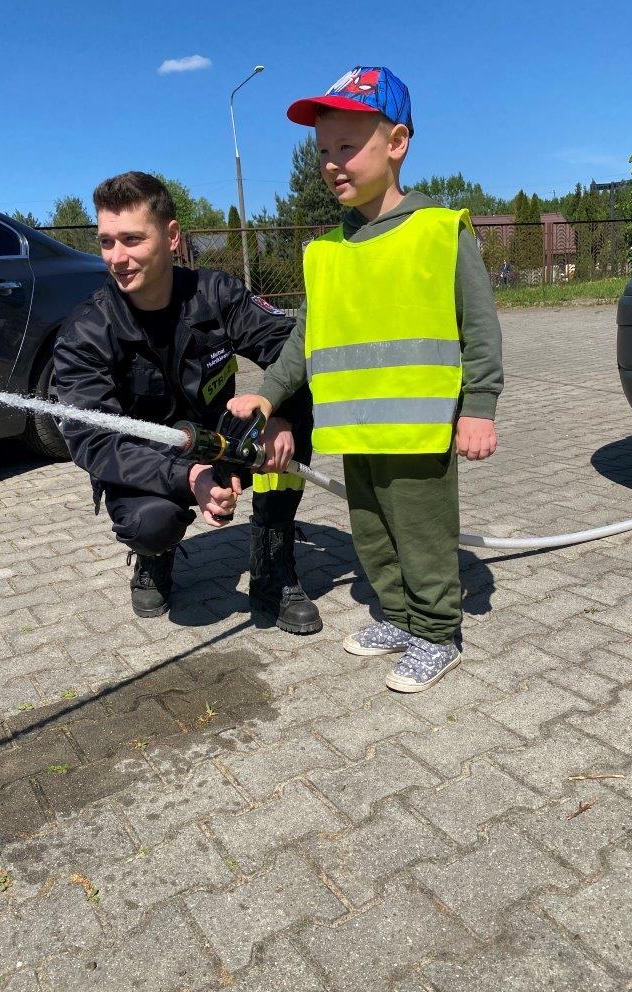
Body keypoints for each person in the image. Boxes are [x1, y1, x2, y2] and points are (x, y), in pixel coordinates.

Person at [228, 66, 503, 693]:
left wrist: (479, 406)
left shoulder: (440, 231)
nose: (332, 163)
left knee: (423, 535)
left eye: (348, 146)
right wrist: (266, 395)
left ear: (397, 142)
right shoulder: (325, 251)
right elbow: (303, 342)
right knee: (373, 533)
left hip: (419, 430)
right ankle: (399, 617)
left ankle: (437, 631)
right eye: (323, 150)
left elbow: (480, 327)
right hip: (355, 429)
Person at [53, 171, 321, 635]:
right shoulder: (87, 331)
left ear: (172, 236)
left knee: (295, 419)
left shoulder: (216, 294)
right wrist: (190, 477)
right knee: (151, 523)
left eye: (132, 239)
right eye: (106, 242)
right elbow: (93, 439)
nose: (117, 257)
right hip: (149, 460)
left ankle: (272, 562)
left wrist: (277, 410)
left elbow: (291, 348)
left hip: (220, 441)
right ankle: (154, 558)